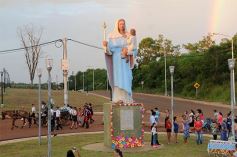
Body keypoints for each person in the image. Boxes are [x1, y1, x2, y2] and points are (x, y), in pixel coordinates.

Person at [102, 19, 138, 103]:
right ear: (117, 25)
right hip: (117, 59)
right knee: (118, 77)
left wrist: (128, 52)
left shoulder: (129, 35)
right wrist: (105, 46)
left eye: (123, 24)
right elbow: (108, 51)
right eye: (120, 24)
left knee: (127, 77)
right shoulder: (111, 36)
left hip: (126, 60)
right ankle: (118, 98)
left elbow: (135, 49)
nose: (122, 25)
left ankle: (127, 97)